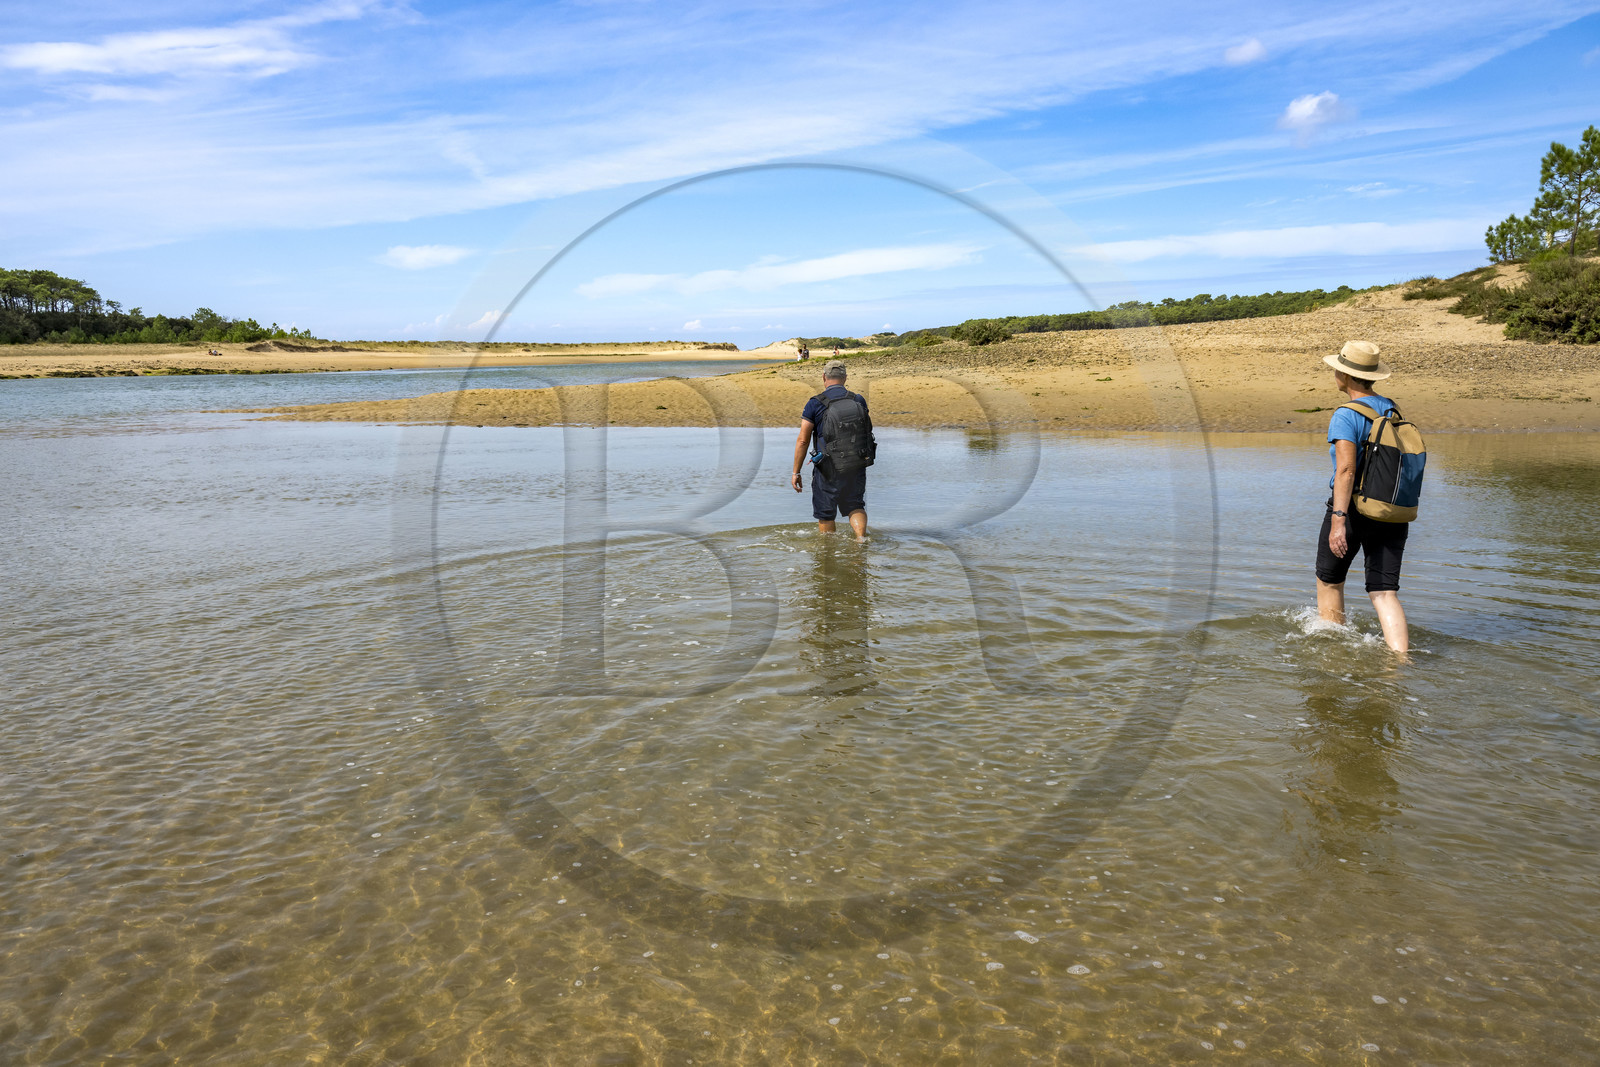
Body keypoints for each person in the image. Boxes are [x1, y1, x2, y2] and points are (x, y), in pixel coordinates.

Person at [1315, 340, 1409, 653]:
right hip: (1390, 509)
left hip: (1352, 509)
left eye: (1338, 370)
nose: (1335, 374)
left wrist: (1339, 520)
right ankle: (1401, 662)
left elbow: (1346, 471)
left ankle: (1334, 652)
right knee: (1385, 592)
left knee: (1330, 581)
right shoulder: (1392, 407)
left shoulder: (1345, 414)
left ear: (1348, 377)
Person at [791, 360, 871, 540]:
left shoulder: (815, 403)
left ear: (824, 377)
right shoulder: (857, 399)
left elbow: (803, 440)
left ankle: (829, 552)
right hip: (856, 463)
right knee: (855, 505)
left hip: (827, 468)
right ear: (845, 377)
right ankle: (861, 540)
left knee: (825, 512)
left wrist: (796, 472)